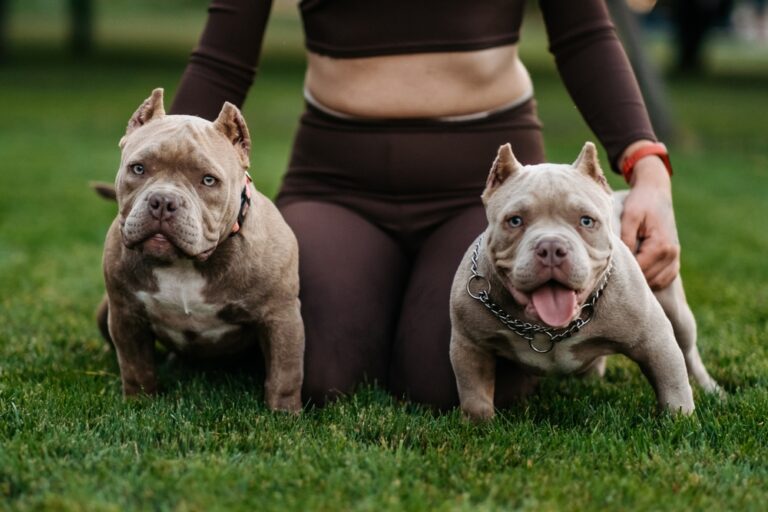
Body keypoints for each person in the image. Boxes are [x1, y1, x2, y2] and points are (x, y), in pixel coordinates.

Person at [170, 0, 680, 409]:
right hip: (335, 182)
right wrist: (179, 190)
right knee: (316, 376)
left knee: (443, 385)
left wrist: (649, 171)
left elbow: (583, 36)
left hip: (491, 197)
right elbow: (224, 56)